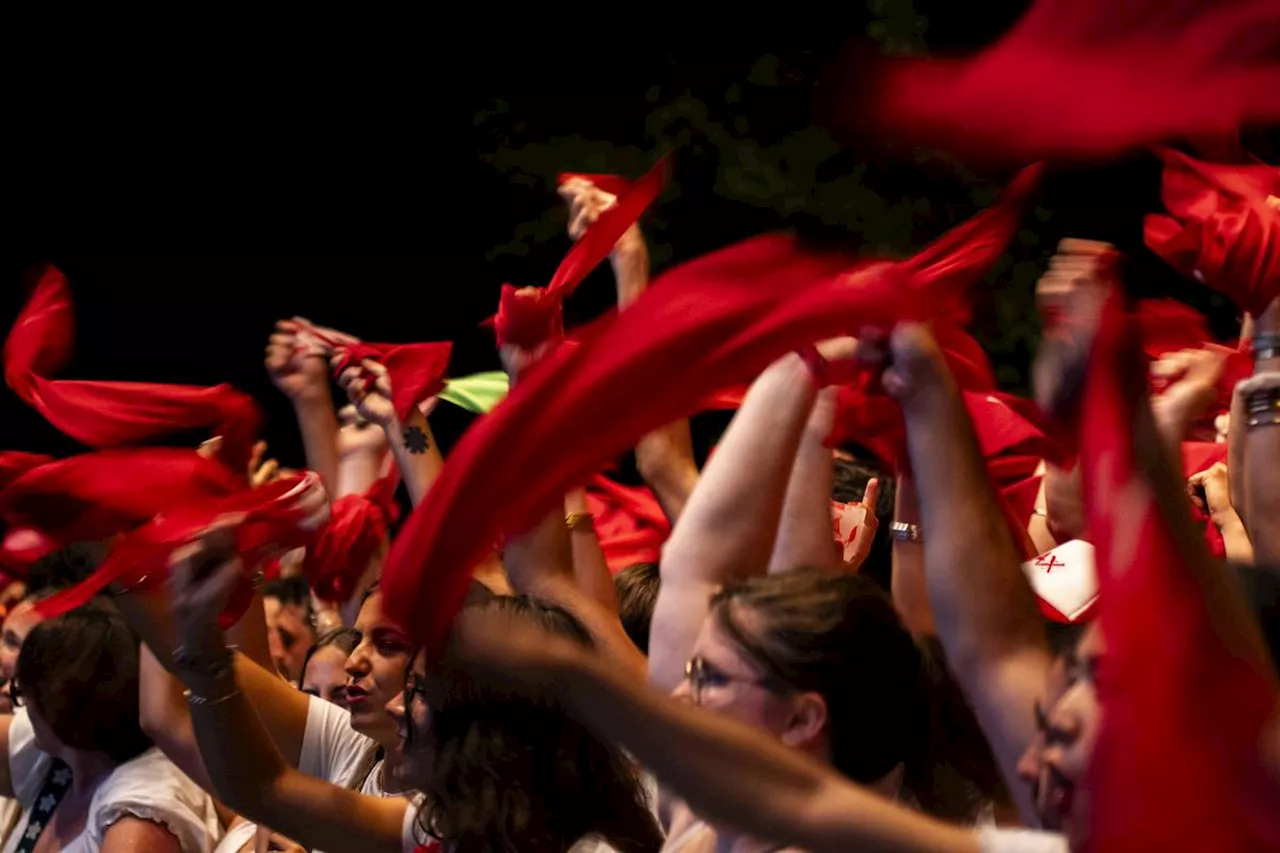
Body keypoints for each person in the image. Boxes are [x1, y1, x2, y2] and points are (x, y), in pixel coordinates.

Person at [165, 521, 664, 853]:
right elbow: (263, 789)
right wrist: (197, 636)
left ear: (492, 722)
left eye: (423, 691)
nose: (401, 705)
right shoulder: (443, 824)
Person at [0, 602, 220, 852]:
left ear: (61, 706)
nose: (24, 705)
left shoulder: (141, 818)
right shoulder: (74, 753)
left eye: (24, 693)